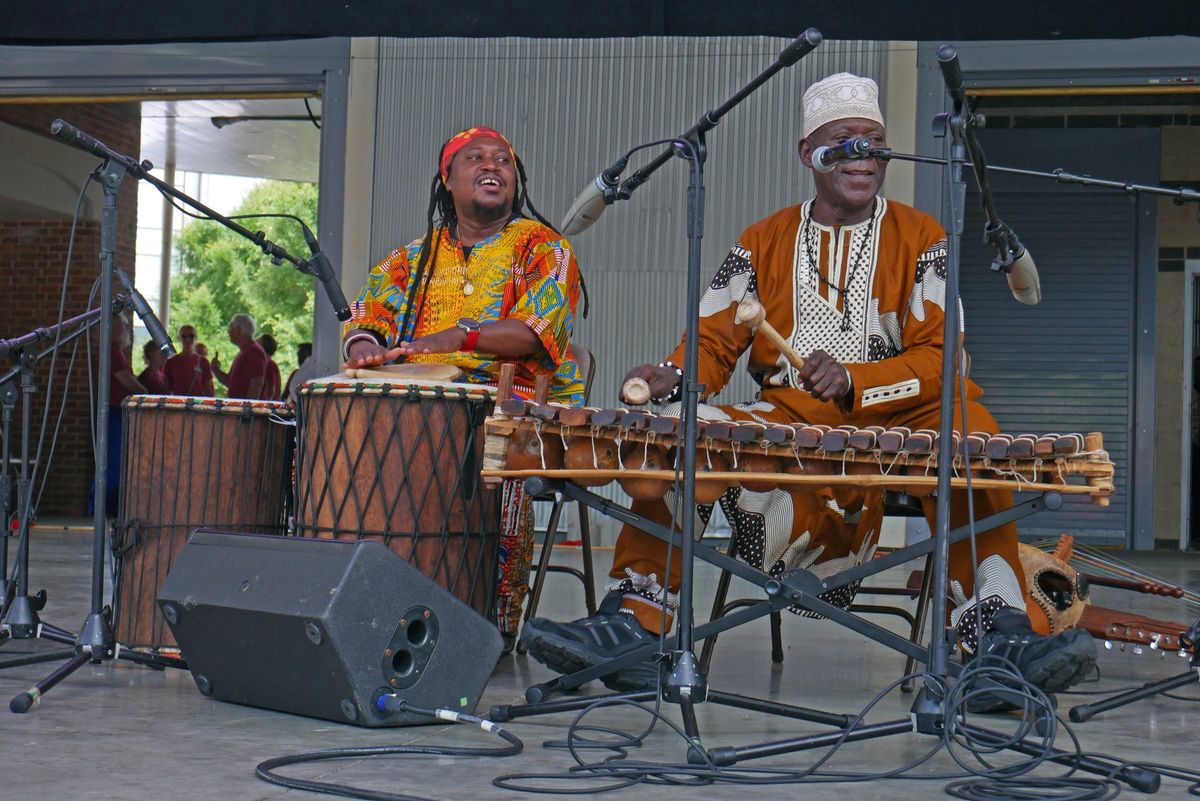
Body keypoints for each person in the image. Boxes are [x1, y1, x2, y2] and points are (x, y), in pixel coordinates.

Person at [521, 73, 1096, 703]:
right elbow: (712, 341)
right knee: (682, 426)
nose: (864, 156)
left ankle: (993, 634)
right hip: (788, 416)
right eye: (844, 141)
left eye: (874, 142)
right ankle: (639, 621)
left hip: (906, 413)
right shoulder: (761, 241)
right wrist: (674, 376)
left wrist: (856, 379)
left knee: (968, 431)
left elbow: (942, 356)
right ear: (808, 154)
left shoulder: (922, 236)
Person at [342, 125, 584, 649]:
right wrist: (362, 344)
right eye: (475, 158)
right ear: (446, 179)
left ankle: (484, 627)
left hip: (513, 413)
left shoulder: (544, 249)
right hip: (421, 411)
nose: (493, 166)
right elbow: (368, 314)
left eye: (503, 160)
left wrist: (459, 336)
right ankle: (372, 607)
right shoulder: (409, 259)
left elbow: (536, 332)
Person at [93, 313, 144, 513]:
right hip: (114, 410)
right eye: (124, 326)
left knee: (117, 457)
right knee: (113, 458)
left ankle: (110, 502)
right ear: (115, 329)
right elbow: (126, 381)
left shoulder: (117, 352)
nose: (127, 330)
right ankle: (106, 504)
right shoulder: (112, 352)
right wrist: (146, 393)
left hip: (117, 410)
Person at [212, 314, 268, 400]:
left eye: (231, 327)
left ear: (238, 329)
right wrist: (216, 370)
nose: (228, 332)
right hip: (238, 409)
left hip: (244, 410)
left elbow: (257, 383)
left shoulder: (254, 351)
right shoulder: (244, 352)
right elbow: (230, 383)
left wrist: (247, 409)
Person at [163, 324, 214, 396]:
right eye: (184, 337)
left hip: (197, 405)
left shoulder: (203, 362)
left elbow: (208, 390)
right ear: (179, 338)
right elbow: (165, 388)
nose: (188, 339)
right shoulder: (171, 362)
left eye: (191, 336)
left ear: (195, 338)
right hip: (176, 405)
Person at [257, 333, 282, 401]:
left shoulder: (269, 364)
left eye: (257, 342)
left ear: (261, 345)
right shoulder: (268, 364)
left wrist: (264, 408)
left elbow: (271, 391)